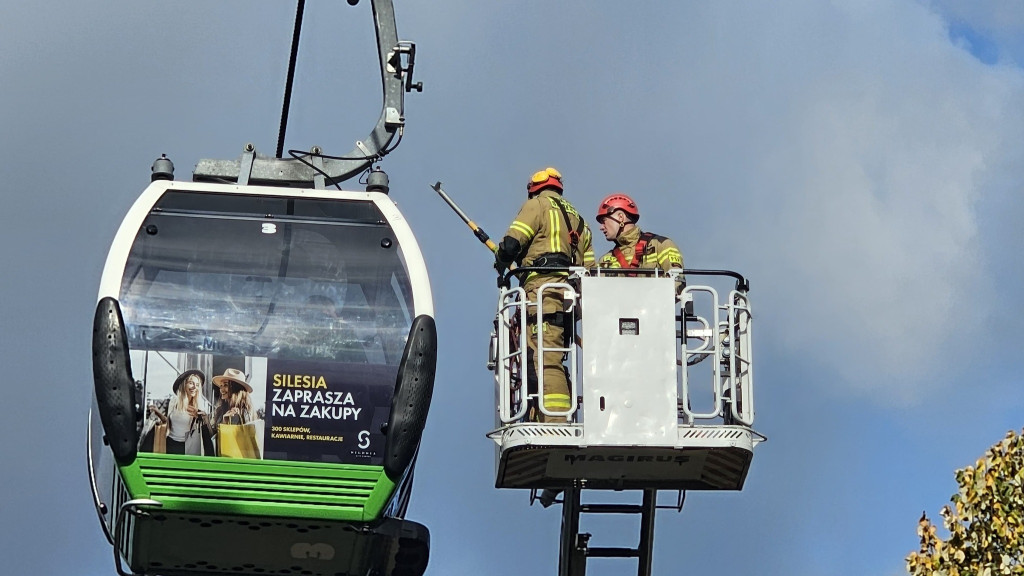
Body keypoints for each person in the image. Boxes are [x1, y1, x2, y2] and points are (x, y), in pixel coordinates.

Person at [494, 167, 594, 423]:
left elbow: (511, 244)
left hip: (543, 294)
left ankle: (555, 422)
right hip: (570, 298)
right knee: (554, 357)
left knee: (544, 359)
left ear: (533, 188)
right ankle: (547, 415)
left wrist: (502, 260)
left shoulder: (536, 206)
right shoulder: (581, 222)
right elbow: (591, 272)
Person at [595, 192, 683, 284]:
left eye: (604, 221)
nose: (601, 227)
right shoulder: (604, 260)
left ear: (620, 217)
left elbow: (677, 283)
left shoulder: (662, 245)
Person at [143, 369, 215, 455]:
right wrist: (157, 412)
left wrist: (205, 419)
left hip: (187, 448)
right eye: (191, 383)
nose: (194, 387)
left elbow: (209, 435)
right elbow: (169, 423)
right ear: (184, 384)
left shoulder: (199, 407)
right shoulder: (173, 403)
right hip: (169, 443)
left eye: (197, 385)